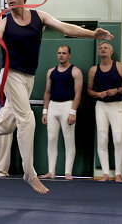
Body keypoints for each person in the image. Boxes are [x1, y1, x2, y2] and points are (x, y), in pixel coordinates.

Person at [0, 0, 113, 194]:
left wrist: (92, 34)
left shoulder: (39, 16)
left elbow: (65, 28)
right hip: (11, 76)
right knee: (27, 119)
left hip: (28, 78)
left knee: (6, 124)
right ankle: (30, 174)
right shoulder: (5, 22)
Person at [87, 42, 122, 182]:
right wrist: (97, 94)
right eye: (100, 48)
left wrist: (117, 90)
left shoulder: (120, 67)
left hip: (117, 105)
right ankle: (105, 173)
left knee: (118, 139)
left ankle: (118, 173)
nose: (102, 50)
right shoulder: (93, 70)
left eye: (105, 48)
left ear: (111, 52)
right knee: (102, 139)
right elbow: (89, 90)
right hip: (101, 106)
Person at [39, 45, 82, 180]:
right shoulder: (51, 72)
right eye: (59, 53)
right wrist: (45, 112)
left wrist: (72, 112)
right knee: (51, 139)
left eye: (64, 53)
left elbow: (78, 94)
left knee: (69, 140)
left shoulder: (75, 71)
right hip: (53, 107)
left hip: (67, 106)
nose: (61, 55)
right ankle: (51, 172)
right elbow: (47, 92)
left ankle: (68, 172)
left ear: (69, 55)